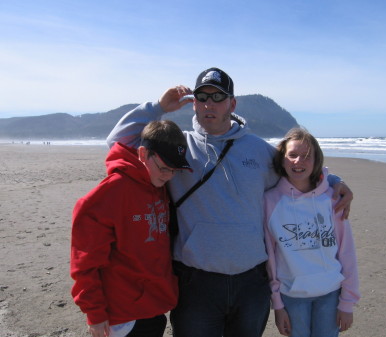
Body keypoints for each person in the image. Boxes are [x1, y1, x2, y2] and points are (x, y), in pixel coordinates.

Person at [106, 67, 353, 337]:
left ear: (232, 104)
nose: (209, 104)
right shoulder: (179, 148)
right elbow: (118, 141)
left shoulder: (259, 150)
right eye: (202, 97)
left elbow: (298, 171)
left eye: (217, 97)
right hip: (195, 280)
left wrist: (334, 181)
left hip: (251, 281)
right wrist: (157, 107)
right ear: (193, 104)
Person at [70, 120, 192, 337]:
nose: (169, 176)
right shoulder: (109, 194)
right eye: (164, 168)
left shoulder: (159, 185)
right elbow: (85, 264)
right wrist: (95, 314)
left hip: (154, 308)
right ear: (143, 154)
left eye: (175, 170)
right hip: (122, 318)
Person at [264, 127, 360, 337]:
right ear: (282, 159)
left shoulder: (333, 198)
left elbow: (347, 252)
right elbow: (270, 258)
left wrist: (347, 303)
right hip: (292, 295)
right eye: (293, 155)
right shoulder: (269, 201)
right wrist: (277, 304)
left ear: (317, 161)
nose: (299, 161)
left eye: (307, 156)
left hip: (331, 293)